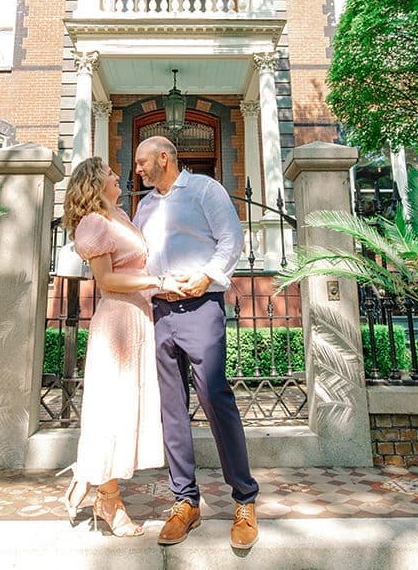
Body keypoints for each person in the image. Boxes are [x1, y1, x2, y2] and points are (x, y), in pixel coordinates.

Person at [133, 135, 259, 550]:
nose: (137, 170)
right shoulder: (144, 207)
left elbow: (231, 239)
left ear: (163, 158)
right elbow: (138, 256)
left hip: (202, 307)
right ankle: (185, 501)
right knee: (171, 408)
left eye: (141, 162)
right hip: (161, 312)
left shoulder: (206, 189)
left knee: (214, 397)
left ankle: (244, 499)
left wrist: (207, 276)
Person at [58, 156, 178, 536]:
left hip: (140, 318)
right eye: (110, 173)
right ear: (96, 183)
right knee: (111, 407)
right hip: (117, 323)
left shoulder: (123, 217)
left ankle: (92, 476)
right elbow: (107, 280)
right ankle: (108, 499)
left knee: (128, 406)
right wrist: (154, 281)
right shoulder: (94, 223)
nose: (117, 175)